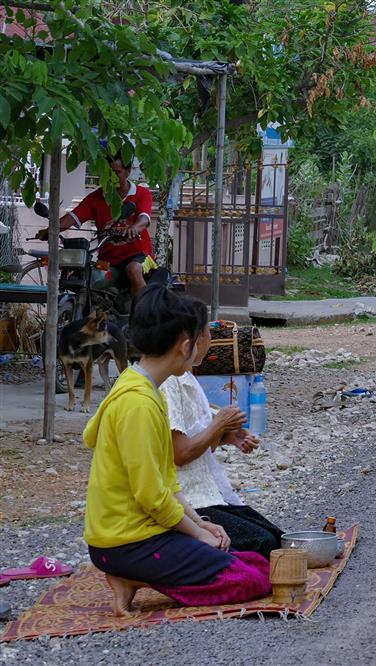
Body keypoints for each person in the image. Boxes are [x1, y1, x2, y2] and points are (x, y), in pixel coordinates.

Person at [83, 285, 270, 617]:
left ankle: (134, 576)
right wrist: (198, 534)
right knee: (250, 580)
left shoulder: (139, 386)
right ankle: (132, 576)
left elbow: (165, 482)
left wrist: (202, 524)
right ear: (186, 346)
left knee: (255, 561)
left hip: (140, 533)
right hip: (125, 541)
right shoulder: (138, 403)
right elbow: (151, 495)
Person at [160, 325, 285, 560]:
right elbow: (180, 453)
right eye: (208, 334)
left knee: (277, 538)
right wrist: (218, 426)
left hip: (205, 492)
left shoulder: (184, 376)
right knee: (265, 545)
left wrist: (226, 434)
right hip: (187, 499)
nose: (209, 341)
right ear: (190, 343)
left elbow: (194, 434)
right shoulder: (168, 382)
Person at [39, 154, 156, 296]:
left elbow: (144, 218)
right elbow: (72, 216)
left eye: (116, 172)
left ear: (128, 171)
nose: (111, 177)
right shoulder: (95, 198)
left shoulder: (142, 193)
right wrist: (51, 230)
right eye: (106, 173)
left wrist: (133, 228)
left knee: (133, 269)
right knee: (88, 279)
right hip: (108, 260)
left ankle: (142, 314)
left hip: (140, 256)